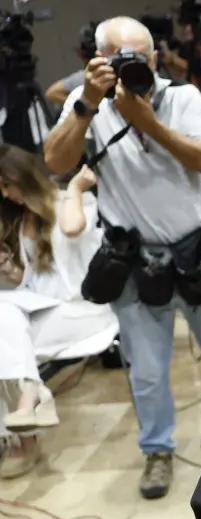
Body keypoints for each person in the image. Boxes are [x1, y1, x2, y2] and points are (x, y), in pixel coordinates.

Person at [44, 17, 201, 499]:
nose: (138, 65)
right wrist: (88, 102)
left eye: (144, 55)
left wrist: (148, 124)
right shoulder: (86, 105)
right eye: (124, 57)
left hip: (194, 252)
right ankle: (157, 451)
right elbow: (55, 161)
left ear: (156, 56)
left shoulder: (183, 98)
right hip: (134, 261)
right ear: (100, 60)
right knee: (148, 372)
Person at [0, 152, 103, 478]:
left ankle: (24, 433)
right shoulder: (22, 220)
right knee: (4, 319)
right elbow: (32, 282)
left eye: (7, 184)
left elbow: (71, 228)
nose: (5, 194)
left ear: (24, 177)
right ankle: (30, 401)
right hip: (42, 309)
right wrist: (10, 270)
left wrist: (74, 187)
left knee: (5, 328)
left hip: (83, 310)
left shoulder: (71, 201)